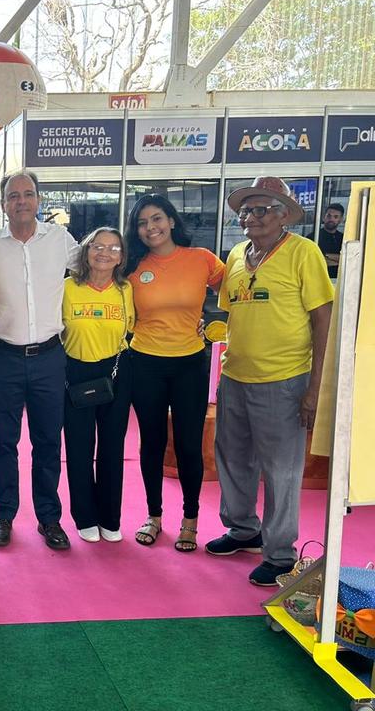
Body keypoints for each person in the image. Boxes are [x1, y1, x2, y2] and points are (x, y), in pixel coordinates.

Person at [205, 177, 333, 586]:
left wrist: (315, 387)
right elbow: (232, 313)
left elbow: (323, 319)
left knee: (281, 470)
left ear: (284, 215)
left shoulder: (303, 252)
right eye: (246, 210)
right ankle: (244, 530)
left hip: (285, 379)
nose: (251, 217)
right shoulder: (237, 254)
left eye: (262, 209)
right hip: (234, 375)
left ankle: (279, 554)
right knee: (233, 459)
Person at [0, 172, 78, 551]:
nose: (21, 201)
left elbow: (93, 271)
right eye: (13, 195)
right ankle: (3, 515)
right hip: (3, 358)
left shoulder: (60, 239)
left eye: (28, 194)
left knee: (48, 442)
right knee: (4, 442)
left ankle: (49, 518)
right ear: (4, 204)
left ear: (38, 200)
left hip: (50, 358)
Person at [124, 194, 224, 552]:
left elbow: (235, 294)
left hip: (190, 365)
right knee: (151, 444)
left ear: (171, 220)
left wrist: (213, 323)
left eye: (156, 219)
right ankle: (153, 516)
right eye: (142, 223)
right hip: (145, 363)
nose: (150, 228)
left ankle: (190, 520)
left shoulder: (202, 259)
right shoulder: (132, 266)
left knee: (188, 445)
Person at [61, 227, 134, 543]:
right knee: (78, 447)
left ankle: (110, 517)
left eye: (113, 248)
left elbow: (136, 326)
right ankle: (85, 516)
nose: (105, 253)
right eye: (97, 246)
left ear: (121, 257)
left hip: (116, 370)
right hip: (75, 369)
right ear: (86, 251)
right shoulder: (67, 287)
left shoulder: (126, 289)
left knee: (112, 446)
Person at [318, 202, 345, 279]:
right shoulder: (314, 236)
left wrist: (327, 255)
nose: (331, 219)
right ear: (324, 217)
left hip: (340, 280)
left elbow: (347, 260)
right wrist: (339, 260)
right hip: (319, 279)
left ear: (341, 219)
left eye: (335, 217)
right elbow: (317, 261)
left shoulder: (343, 238)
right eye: (329, 216)